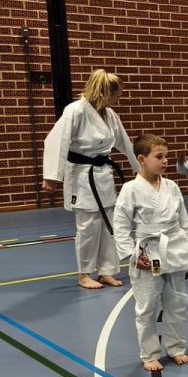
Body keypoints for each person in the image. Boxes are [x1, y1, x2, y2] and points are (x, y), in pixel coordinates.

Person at [41, 68, 135, 289]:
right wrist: (51, 176)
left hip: (103, 175)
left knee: (109, 223)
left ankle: (107, 271)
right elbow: (56, 142)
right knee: (88, 227)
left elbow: (124, 142)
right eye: (116, 95)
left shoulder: (109, 114)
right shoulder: (75, 111)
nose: (118, 99)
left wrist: (141, 169)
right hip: (82, 176)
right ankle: (84, 274)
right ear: (104, 93)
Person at [113, 134, 188, 372]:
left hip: (175, 248)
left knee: (178, 303)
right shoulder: (130, 189)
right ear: (142, 159)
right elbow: (120, 225)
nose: (165, 161)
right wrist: (132, 255)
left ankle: (176, 347)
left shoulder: (172, 186)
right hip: (148, 254)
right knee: (147, 306)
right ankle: (149, 354)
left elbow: (183, 221)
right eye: (159, 157)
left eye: (166, 156)